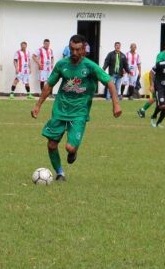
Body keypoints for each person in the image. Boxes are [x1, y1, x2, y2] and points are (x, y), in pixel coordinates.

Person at [31, 34, 122, 181]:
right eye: (72, 49)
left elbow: (110, 82)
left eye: (78, 49)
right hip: (60, 109)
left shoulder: (90, 66)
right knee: (52, 145)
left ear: (84, 49)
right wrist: (38, 105)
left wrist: (116, 104)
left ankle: (74, 151)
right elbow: (49, 85)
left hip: (79, 111)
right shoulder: (62, 65)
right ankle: (60, 173)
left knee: (70, 148)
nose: (74, 53)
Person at [137, 41, 165, 119]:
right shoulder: (161, 55)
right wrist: (152, 85)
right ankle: (142, 110)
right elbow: (157, 67)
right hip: (158, 81)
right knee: (155, 98)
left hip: (164, 81)